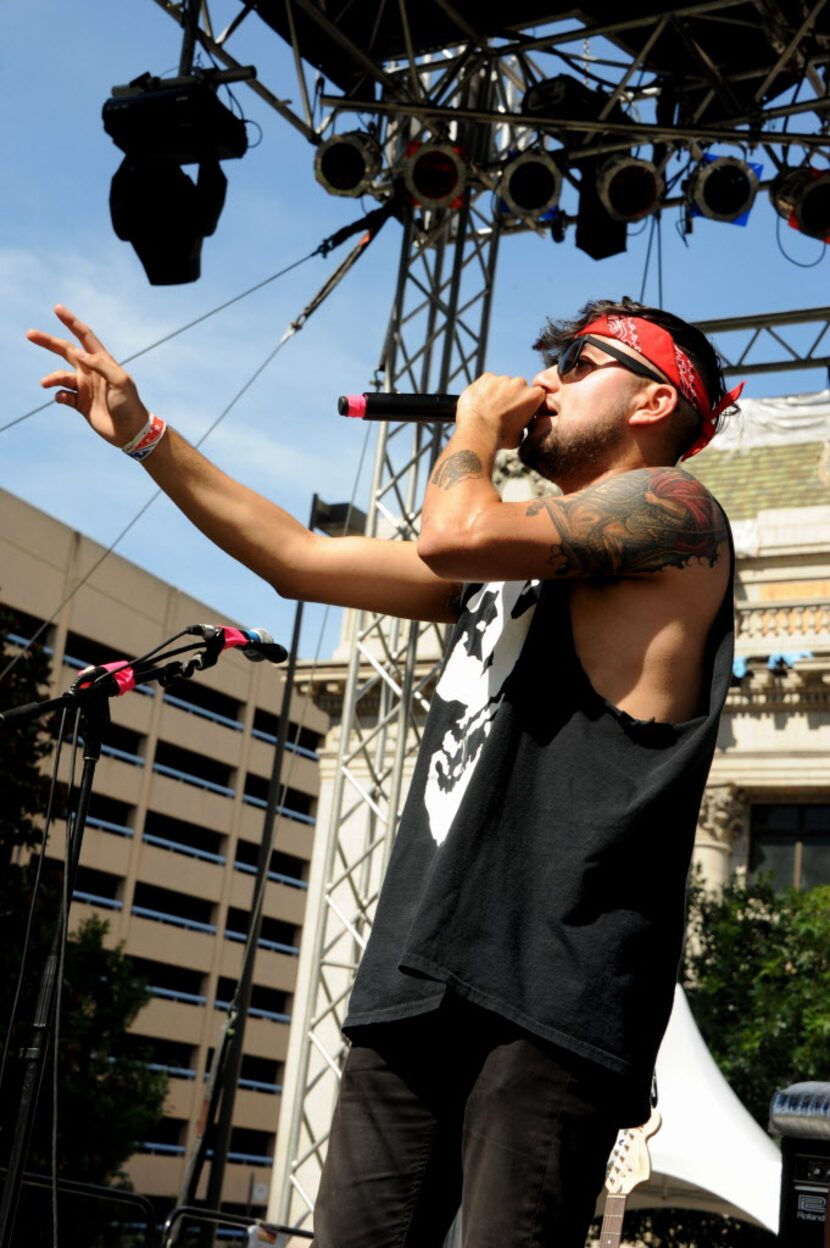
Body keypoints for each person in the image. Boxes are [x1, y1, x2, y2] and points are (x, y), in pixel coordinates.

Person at [29, 297, 739, 1248]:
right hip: (418, 968)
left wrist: (476, 432)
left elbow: (451, 532)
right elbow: (301, 558)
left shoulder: (680, 512)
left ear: (653, 403)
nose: (548, 382)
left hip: (547, 993)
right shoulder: (513, 559)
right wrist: (147, 435)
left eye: (577, 363)